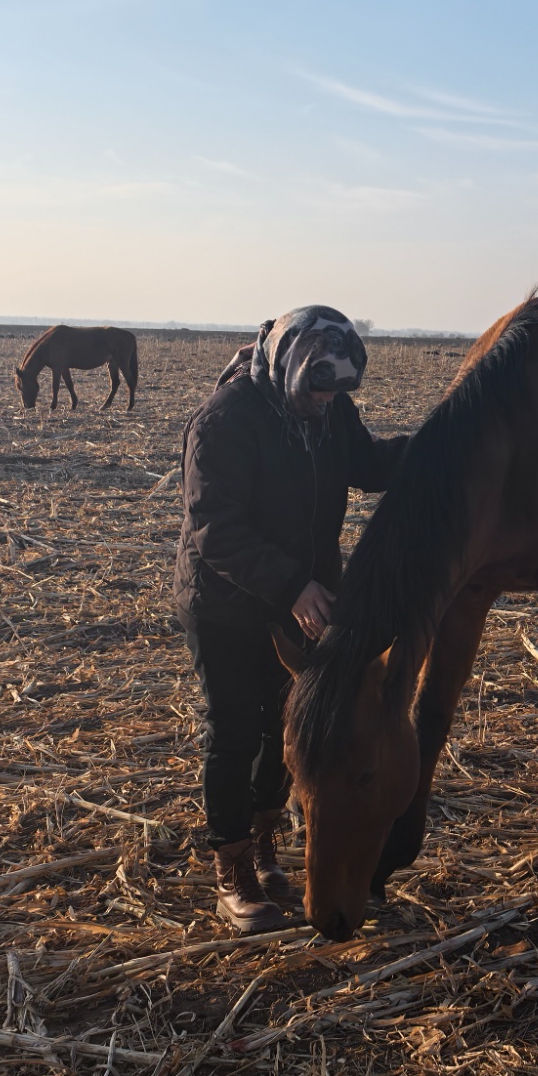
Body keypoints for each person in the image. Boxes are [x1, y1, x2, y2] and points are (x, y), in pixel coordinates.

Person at [173, 307, 409, 933]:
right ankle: (231, 870)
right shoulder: (224, 421)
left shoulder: (328, 413)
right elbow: (213, 530)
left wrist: (439, 445)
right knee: (232, 730)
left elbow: (370, 467)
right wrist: (291, 585)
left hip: (299, 608)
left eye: (338, 390)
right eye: (320, 387)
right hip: (225, 605)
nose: (326, 401)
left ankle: (265, 839)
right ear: (288, 362)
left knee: (290, 734)